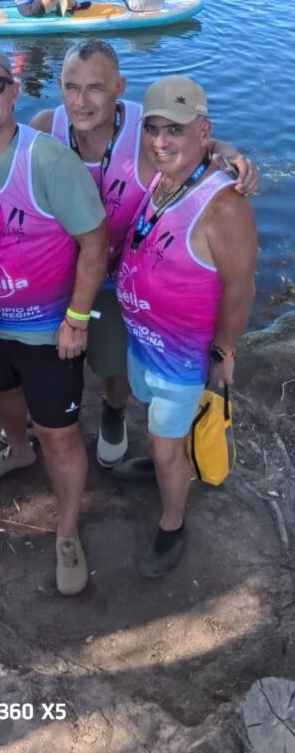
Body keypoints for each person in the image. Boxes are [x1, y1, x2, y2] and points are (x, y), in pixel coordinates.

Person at [0, 40, 257, 473]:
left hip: (115, 279)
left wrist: (229, 152)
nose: (81, 101)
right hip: (57, 276)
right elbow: (0, 145)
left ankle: (112, 410)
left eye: (96, 88)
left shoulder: (144, 132)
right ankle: (36, 415)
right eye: (72, 87)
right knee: (36, 354)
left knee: (112, 363)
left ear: (119, 88)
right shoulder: (47, 125)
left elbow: (194, 140)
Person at [0, 45, 108, 596]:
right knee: (2, 394)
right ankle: (16, 449)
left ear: (12, 91)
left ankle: (67, 531)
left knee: (59, 433)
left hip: (50, 327)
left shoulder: (49, 160)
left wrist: (77, 318)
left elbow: (94, 243)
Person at [115, 76, 257, 577]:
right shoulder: (164, 177)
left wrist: (224, 352)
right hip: (143, 343)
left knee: (166, 445)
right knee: (154, 421)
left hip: (181, 359)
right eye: (152, 128)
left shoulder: (224, 205)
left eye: (174, 129)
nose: (159, 140)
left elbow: (241, 289)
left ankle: (172, 523)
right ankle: (163, 460)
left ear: (203, 131)